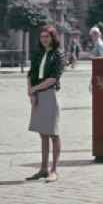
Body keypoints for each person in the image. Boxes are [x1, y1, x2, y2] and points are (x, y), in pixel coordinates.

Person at [26, 24, 65, 183]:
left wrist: (35, 88)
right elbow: (30, 73)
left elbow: (53, 78)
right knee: (42, 134)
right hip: (37, 95)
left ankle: (54, 170)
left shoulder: (58, 55)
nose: (44, 39)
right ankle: (43, 168)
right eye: (42, 37)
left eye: (47, 37)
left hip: (49, 95)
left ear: (53, 37)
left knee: (53, 134)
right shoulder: (38, 53)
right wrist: (31, 92)